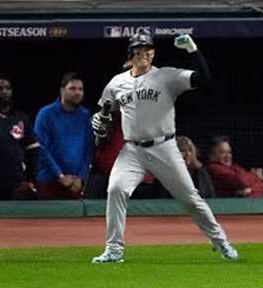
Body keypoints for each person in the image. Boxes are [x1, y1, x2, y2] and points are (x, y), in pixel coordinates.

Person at [90, 32, 238, 263]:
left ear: (153, 52)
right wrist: (99, 121)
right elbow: (104, 114)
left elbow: (204, 78)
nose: (144, 53)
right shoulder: (116, 83)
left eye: (148, 49)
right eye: (139, 50)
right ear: (131, 54)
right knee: (116, 189)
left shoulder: (166, 76)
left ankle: (220, 241)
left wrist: (193, 50)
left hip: (164, 147)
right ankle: (114, 249)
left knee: (190, 198)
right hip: (133, 150)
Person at [34, 72, 94, 199]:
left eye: (80, 89)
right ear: (62, 90)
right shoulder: (46, 113)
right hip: (48, 182)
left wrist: (81, 177)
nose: (77, 92)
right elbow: (41, 147)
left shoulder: (85, 115)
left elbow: (89, 150)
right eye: (72, 88)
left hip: (75, 185)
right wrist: (60, 176)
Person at [0, 73, 40, 200]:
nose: (4, 92)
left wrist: (31, 180)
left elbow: (33, 151)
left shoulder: (21, 118)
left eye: (8, 88)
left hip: (16, 184)